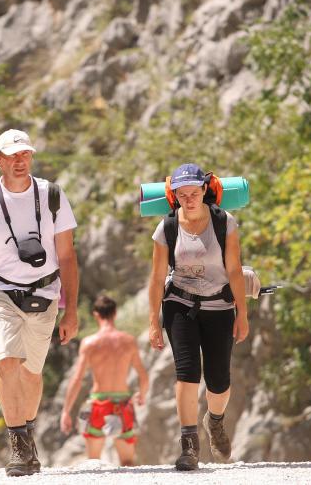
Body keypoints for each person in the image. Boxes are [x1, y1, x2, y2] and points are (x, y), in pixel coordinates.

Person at [0, 129, 79, 477]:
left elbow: (68, 255)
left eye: (24, 154)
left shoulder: (52, 195)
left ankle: (27, 431)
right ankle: (18, 446)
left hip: (45, 292)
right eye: (11, 155)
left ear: (31, 157)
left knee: (32, 372)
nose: (19, 160)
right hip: (0, 293)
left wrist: (71, 310)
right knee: (6, 363)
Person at [148, 163, 249, 471]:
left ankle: (214, 421)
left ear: (205, 191)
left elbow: (233, 269)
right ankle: (189, 445)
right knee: (187, 372)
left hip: (219, 304)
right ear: (174, 195)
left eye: (194, 193)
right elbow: (155, 279)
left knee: (218, 381)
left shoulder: (224, 222)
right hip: (181, 303)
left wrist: (242, 313)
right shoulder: (166, 228)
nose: (189, 200)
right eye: (182, 194)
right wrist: (154, 320)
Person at [59, 295, 149, 466]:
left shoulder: (89, 343)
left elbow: (77, 379)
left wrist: (66, 411)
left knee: (93, 463)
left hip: (97, 405)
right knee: (128, 462)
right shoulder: (128, 341)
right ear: (115, 313)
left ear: (96, 315)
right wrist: (142, 396)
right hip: (122, 404)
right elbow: (143, 376)